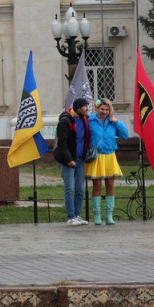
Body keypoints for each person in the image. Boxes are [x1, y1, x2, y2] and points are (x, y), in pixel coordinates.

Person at [86, 99, 131, 226]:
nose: (104, 112)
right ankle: (97, 215)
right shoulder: (90, 121)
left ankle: (109, 215)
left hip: (110, 155)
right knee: (97, 186)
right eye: (102, 109)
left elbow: (125, 135)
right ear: (97, 109)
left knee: (110, 186)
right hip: (97, 157)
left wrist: (116, 122)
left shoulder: (112, 122)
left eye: (107, 110)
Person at [53, 97, 92, 226]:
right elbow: (62, 143)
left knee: (80, 189)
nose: (87, 109)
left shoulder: (85, 120)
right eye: (85, 106)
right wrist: (68, 159)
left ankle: (77, 214)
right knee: (70, 188)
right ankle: (70, 216)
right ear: (78, 108)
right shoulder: (66, 120)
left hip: (81, 159)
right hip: (68, 160)